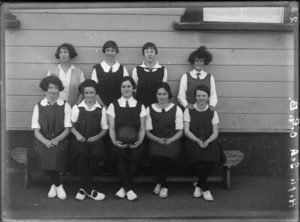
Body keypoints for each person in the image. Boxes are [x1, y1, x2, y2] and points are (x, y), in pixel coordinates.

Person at [29, 76, 71, 200]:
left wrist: (56, 140)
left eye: (56, 88)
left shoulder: (65, 105)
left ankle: (54, 184)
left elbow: (67, 129)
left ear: (59, 90)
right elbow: (36, 131)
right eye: (50, 88)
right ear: (45, 89)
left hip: (61, 139)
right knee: (43, 153)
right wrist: (45, 141)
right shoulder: (38, 106)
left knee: (56, 153)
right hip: (42, 139)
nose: (53, 91)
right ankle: (58, 184)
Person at [183, 84, 227, 201]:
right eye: (198, 95)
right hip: (193, 140)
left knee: (210, 157)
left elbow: (215, 132)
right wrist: (197, 140)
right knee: (198, 157)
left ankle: (199, 184)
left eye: (204, 95)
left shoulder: (212, 112)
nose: (201, 98)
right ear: (195, 97)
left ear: (208, 97)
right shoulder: (189, 110)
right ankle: (205, 188)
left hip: (209, 140)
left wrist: (208, 140)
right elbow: (186, 130)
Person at [107, 76, 147, 201]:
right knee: (119, 156)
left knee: (137, 156)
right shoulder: (113, 105)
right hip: (118, 140)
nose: (126, 89)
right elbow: (112, 128)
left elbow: (142, 128)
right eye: (123, 86)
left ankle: (125, 188)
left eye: (129, 86)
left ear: (133, 88)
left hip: (136, 140)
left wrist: (140, 141)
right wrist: (114, 141)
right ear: (120, 89)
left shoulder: (140, 106)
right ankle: (129, 189)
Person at [70, 79, 108, 201]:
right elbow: (70, 125)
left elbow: (104, 129)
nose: (89, 95)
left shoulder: (101, 109)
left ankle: (83, 188)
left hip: (95, 139)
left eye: (92, 92)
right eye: (86, 93)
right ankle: (90, 190)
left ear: (95, 93)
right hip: (80, 139)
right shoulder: (77, 108)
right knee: (81, 154)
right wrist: (77, 134)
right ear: (83, 94)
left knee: (96, 155)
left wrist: (96, 137)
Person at [145, 82, 183, 198]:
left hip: (173, 141)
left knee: (169, 160)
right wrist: (158, 140)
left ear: (169, 95)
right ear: (156, 95)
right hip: (155, 141)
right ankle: (164, 185)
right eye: (159, 94)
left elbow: (180, 131)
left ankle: (160, 183)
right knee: (156, 159)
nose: (162, 97)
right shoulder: (149, 109)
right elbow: (147, 132)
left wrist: (171, 140)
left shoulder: (176, 109)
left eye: (164, 94)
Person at [91, 40, 129, 108]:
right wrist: (103, 105)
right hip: (100, 106)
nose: (110, 53)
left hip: (119, 106)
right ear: (104, 52)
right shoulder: (97, 69)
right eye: (108, 50)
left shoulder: (122, 69)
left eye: (112, 50)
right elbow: (93, 89)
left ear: (116, 52)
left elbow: (127, 89)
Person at [177, 46, 217, 111]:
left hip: (204, 110)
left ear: (204, 62)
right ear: (193, 61)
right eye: (197, 60)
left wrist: (212, 105)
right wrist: (186, 105)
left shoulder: (210, 77)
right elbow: (181, 95)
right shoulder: (185, 76)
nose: (199, 63)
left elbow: (213, 95)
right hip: (188, 110)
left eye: (201, 61)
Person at [47, 43, 85, 107]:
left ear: (71, 54)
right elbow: (47, 90)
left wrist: (76, 105)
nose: (63, 54)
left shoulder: (79, 72)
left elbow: (82, 91)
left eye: (65, 52)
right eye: (61, 52)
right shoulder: (51, 71)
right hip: (55, 107)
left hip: (73, 107)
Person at [132, 42, 168, 107]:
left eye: (152, 51)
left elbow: (164, 89)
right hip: (141, 105)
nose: (149, 54)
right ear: (144, 54)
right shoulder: (137, 70)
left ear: (155, 53)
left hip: (157, 105)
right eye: (147, 52)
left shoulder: (162, 70)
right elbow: (134, 90)